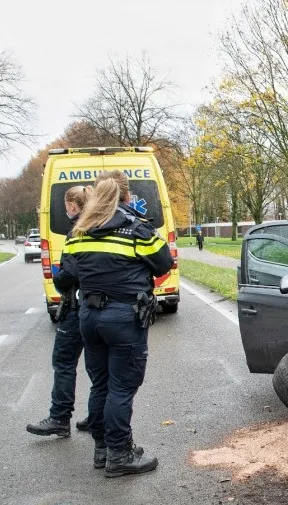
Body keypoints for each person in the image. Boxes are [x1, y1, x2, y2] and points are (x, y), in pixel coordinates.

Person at [64, 170, 173, 478]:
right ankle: (119, 455)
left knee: (101, 384)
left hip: (89, 318)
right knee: (122, 387)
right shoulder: (137, 230)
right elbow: (164, 262)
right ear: (126, 196)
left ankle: (104, 449)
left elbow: (68, 274)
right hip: (123, 319)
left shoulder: (79, 233)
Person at [26, 186, 92, 437]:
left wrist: (58, 276)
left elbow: (71, 273)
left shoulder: (77, 231)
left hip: (76, 306)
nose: (66, 210)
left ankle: (59, 417)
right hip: (97, 305)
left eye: (67, 205)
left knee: (64, 362)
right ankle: (96, 415)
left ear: (73, 206)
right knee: (97, 365)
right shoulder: (100, 225)